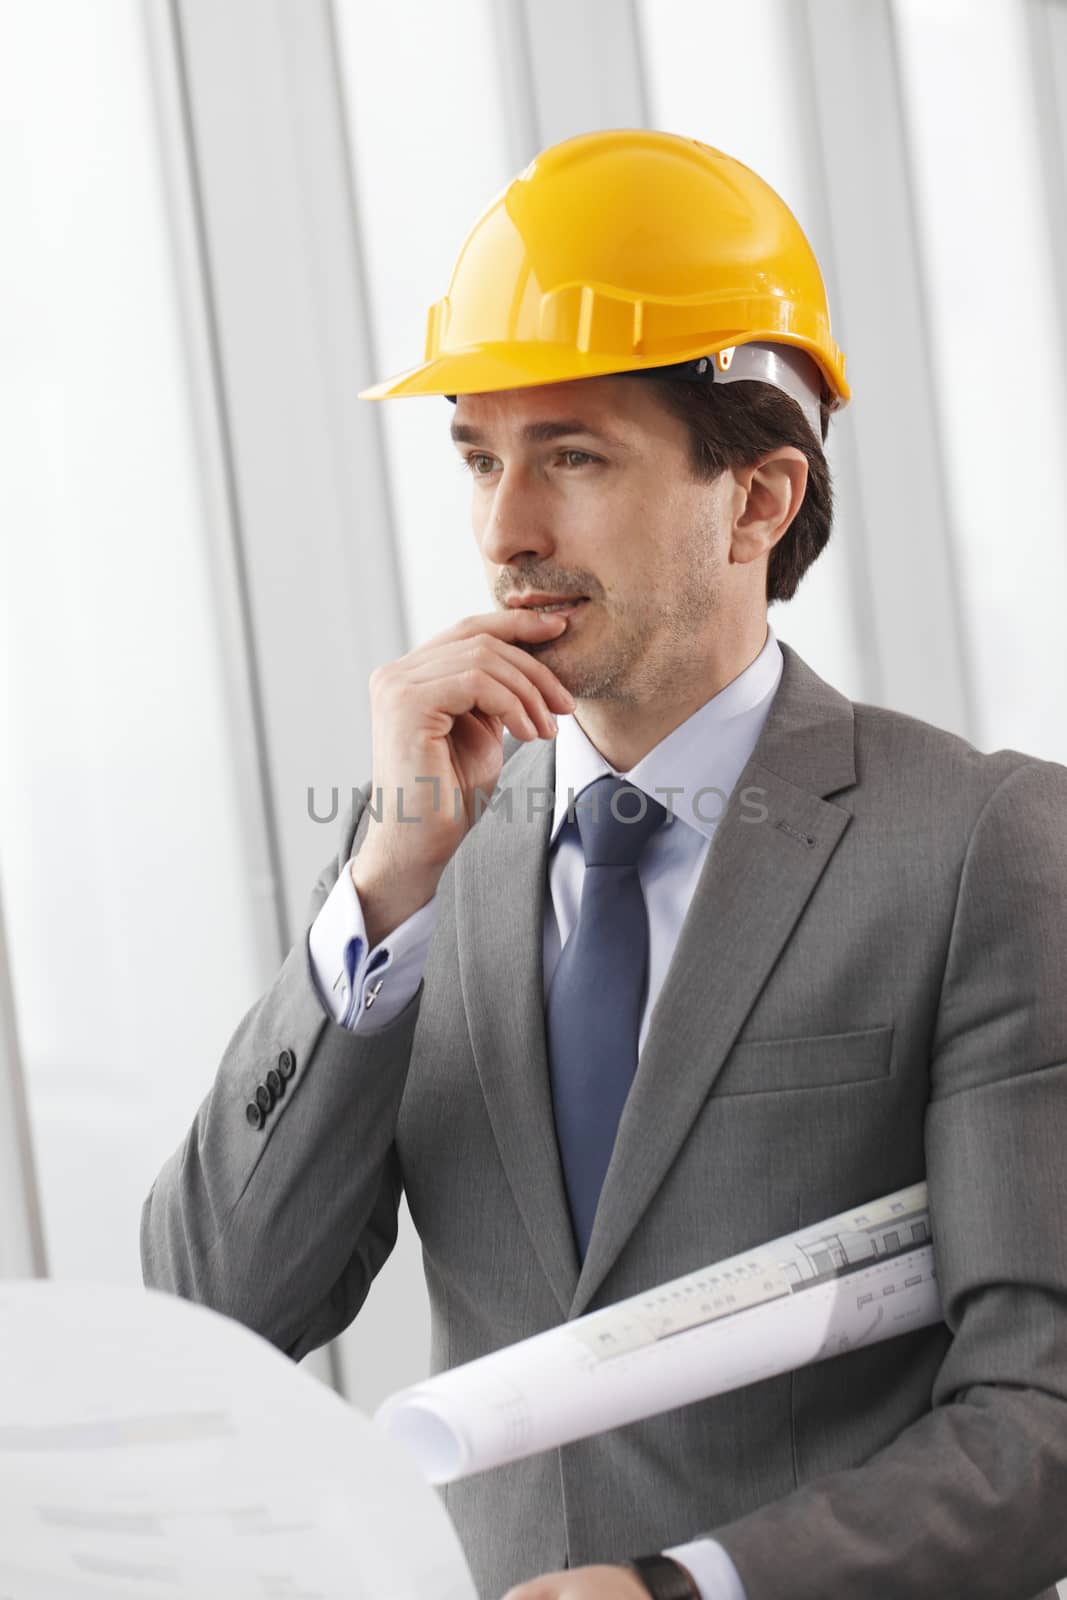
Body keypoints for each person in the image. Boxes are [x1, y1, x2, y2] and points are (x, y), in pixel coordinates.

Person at [141, 129, 1067, 1600]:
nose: (506, 531)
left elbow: (1043, 1424)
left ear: (755, 503)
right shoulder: (418, 852)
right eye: (480, 458)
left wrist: (689, 1584)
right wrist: (385, 894)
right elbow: (215, 1312)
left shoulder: (979, 847)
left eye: (571, 458)